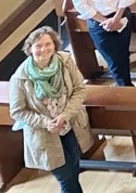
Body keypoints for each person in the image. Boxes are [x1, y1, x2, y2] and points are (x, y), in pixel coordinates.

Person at [8, 26, 92, 193]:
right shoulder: (20, 77)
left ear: (55, 45)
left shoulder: (65, 61)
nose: (43, 49)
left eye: (48, 44)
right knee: (66, 177)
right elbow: (17, 111)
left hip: (70, 126)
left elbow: (79, 89)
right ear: (30, 49)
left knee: (73, 168)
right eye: (38, 46)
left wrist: (65, 116)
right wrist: (46, 122)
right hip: (45, 134)